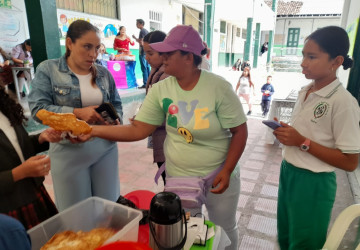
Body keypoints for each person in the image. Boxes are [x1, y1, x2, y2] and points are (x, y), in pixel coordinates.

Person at [79, 25, 248, 250]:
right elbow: (138, 129)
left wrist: (227, 170)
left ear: (188, 57)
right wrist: (91, 131)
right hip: (181, 175)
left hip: (219, 173)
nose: (162, 57)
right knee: (186, 229)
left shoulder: (218, 88)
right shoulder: (161, 89)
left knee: (224, 226)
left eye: (169, 53)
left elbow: (240, 131)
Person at [273, 26, 360, 250]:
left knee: (305, 242)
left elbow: (350, 162)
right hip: (289, 171)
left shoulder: (343, 102)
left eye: (311, 56)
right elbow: (308, 134)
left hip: (314, 183)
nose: (303, 62)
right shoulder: (306, 90)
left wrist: (301, 141)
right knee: (285, 235)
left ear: (336, 61)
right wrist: (289, 134)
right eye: (303, 55)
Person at [28, 20, 123, 211]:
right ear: (70, 43)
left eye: (97, 48)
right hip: (67, 149)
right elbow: (38, 109)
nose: (93, 54)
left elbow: (116, 104)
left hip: (104, 146)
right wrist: (77, 113)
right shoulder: (49, 70)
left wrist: (115, 119)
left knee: (108, 208)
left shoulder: (104, 73)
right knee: (76, 213)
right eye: (87, 46)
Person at [0, 85, 61, 229]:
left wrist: (41, 138)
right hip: (8, 210)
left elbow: (14, 148)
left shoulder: (4, 108)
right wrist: (19, 173)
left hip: (32, 194)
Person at [143, 30, 168, 184]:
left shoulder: (168, 76)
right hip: (159, 135)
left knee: (173, 184)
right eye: (145, 53)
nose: (147, 58)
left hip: (169, 141)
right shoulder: (155, 71)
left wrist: (144, 120)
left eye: (150, 53)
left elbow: (171, 114)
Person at [132, 19, 150, 88]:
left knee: (144, 68)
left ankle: (145, 83)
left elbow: (141, 43)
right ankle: (149, 82)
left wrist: (138, 41)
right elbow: (141, 41)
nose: (136, 25)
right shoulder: (146, 31)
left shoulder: (142, 31)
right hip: (147, 52)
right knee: (147, 67)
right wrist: (135, 38)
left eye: (137, 23)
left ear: (141, 24)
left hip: (143, 52)